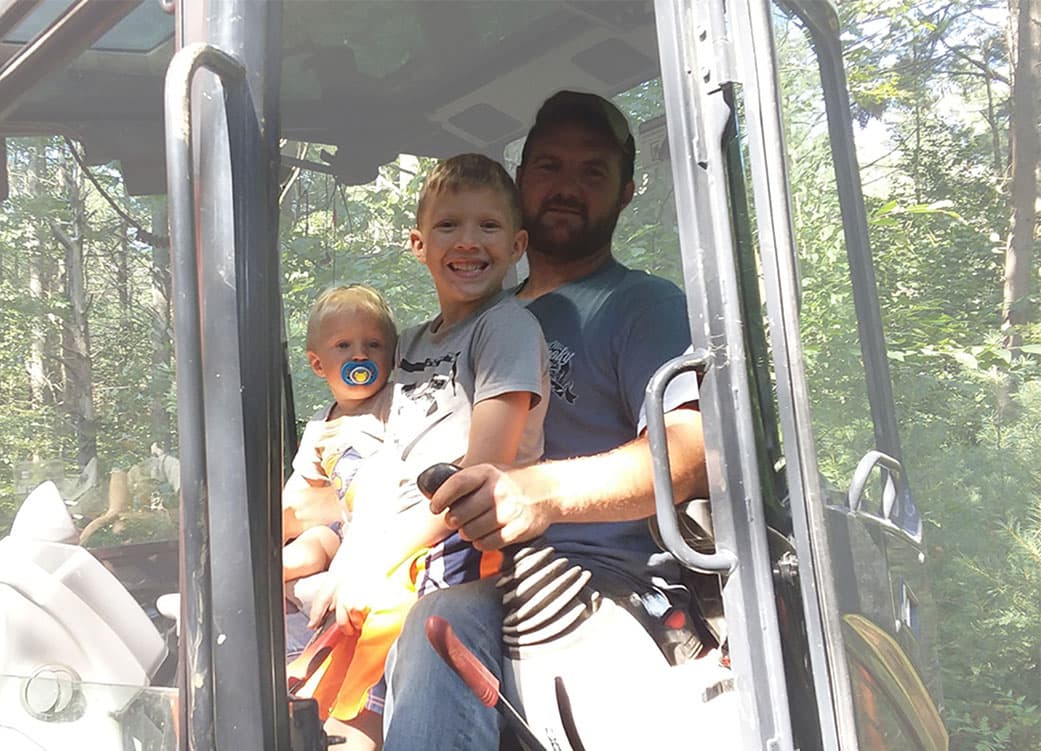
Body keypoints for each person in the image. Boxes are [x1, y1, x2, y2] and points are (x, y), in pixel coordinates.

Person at [381, 91, 711, 750]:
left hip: (600, 584)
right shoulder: (478, 313)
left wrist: (540, 491)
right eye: (549, 166)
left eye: (592, 172)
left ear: (625, 192)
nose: (565, 186)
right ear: (522, 179)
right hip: (464, 566)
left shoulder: (641, 305)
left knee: (435, 623)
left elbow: (690, 450)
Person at [300, 153, 550, 750]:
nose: (468, 241)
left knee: (369, 694)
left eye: (488, 226)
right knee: (321, 702)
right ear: (418, 243)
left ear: (517, 244)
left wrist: (367, 561)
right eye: (448, 226)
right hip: (397, 555)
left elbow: (477, 481)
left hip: (464, 557)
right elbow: (367, 445)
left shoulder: (506, 329)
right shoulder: (410, 344)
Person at [281, 284, 397, 665]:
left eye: (374, 345)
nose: (360, 354)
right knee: (301, 549)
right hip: (341, 529)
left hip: (377, 531)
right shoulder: (321, 424)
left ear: (393, 356)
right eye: (344, 346)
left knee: (327, 543)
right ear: (318, 364)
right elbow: (300, 493)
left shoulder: (392, 406)